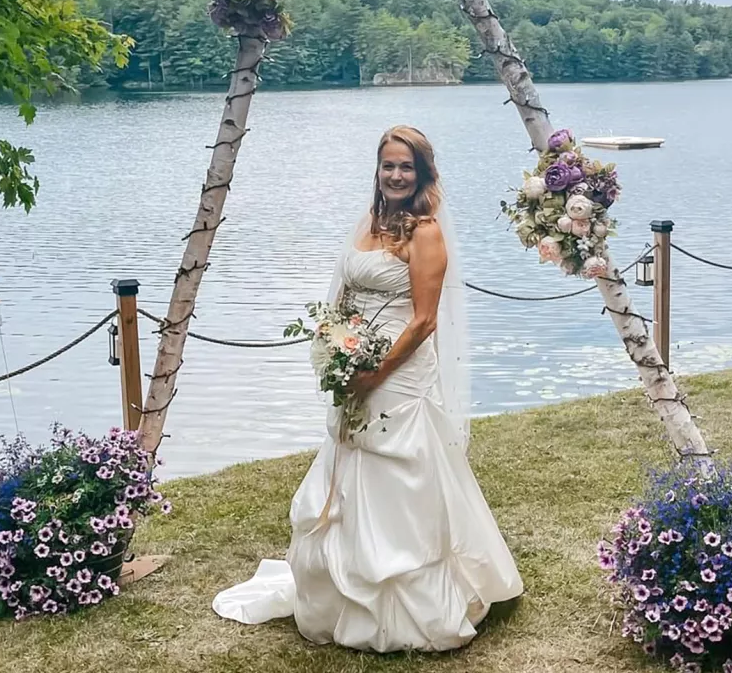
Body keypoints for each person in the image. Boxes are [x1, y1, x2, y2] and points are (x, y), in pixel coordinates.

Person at [212, 125, 524, 652]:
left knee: (402, 472)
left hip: (400, 373)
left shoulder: (426, 233)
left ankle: (412, 602)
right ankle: (337, 592)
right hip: (355, 365)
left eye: (407, 167)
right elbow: (346, 299)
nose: (397, 175)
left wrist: (375, 372)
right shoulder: (369, 224)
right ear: (377, 171)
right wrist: (337, 349)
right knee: (346, 464)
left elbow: (424, 320)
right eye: (388, 165)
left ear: (421, 174)